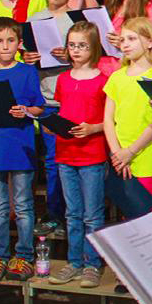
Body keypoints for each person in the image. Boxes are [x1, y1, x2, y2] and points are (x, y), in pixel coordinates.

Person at [0, 17, 46, 282]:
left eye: (11, 40)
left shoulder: (27, 72)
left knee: (24, 205)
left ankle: (24, 255)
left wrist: (26, 110)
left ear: (19, 43)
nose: (5, 46)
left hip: (21, 145)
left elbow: (39, 106)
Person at [47, 21, 109, 289]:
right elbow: (63, 110)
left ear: (93, 47)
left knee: (92, 215)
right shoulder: (63, 79)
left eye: (82, 45)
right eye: (72, 45)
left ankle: (92, 263)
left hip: (92, 154)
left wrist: (93, 128)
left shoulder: (102, 80)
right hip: (66, 152)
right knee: (72, 213)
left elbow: (111, 119)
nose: (76, 50)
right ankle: (74, 261)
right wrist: (55, 126)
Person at [26, 0, 83, 231]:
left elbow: (89, 57)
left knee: (66, 159)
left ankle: (69, 213)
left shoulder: (76, 21)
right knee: (50, 161)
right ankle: (52, 212)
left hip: (68, 97)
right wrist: (30, 57)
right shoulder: (37, 17)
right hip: (44, 97)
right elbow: (29, 51)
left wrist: (68, 56)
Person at [102, 17, 152, 207]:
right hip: (121, 158)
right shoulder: (117, 77)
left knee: (146, 217)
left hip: (148, 157)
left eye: (132, 39)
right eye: (122, 40)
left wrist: (130, 152)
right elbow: (108, 119)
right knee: (128, 222)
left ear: (149, 41)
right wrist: (118, 154)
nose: (125, 44)